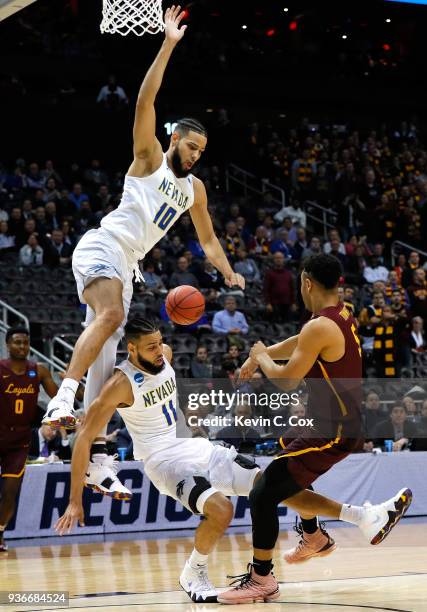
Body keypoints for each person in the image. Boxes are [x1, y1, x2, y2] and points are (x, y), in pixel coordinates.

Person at [43, 6, 244, 500]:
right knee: (109, 316)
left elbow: (209, 240)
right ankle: (62, 399)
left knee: (113, 361)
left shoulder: (194, 190)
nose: (195, 154)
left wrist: (229, 271)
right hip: (103, 245)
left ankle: (98, 457)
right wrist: (169, 43)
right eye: (191, 145)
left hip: (128, 266)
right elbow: (145, 98)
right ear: (175, 138)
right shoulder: (150, 156)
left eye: (201, 151)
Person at [218, 254, 412, 604]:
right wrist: (260, 356)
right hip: (326, 422)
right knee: (283, 464)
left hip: (335, 430)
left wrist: (260, 356)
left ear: (306, 282)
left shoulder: (319, 326)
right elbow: (301, 341)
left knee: (263, 493)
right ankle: (313, 535)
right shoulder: (342, 312)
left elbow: (288, 380)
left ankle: (262, 579)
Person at [55, 317, 260, 603]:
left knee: (266, 481)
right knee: (222, 510)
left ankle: (314, 530)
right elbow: (82, 440)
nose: (159, 351)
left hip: (194, 446)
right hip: (165, 462)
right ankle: (193, 572)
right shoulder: (119, 384)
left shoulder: (165, 356)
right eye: (150, 347)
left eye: (160, 343)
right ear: (131, 348)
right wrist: (75, 500)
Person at [0, 328, 58, 552]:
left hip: (20, 439)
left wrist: (76, 386)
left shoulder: (39, 371)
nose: (22, 347)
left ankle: (1, 532)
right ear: (7, 345)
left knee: (10, 491)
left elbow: (59, 395)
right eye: (17, 343)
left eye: (25, 343)